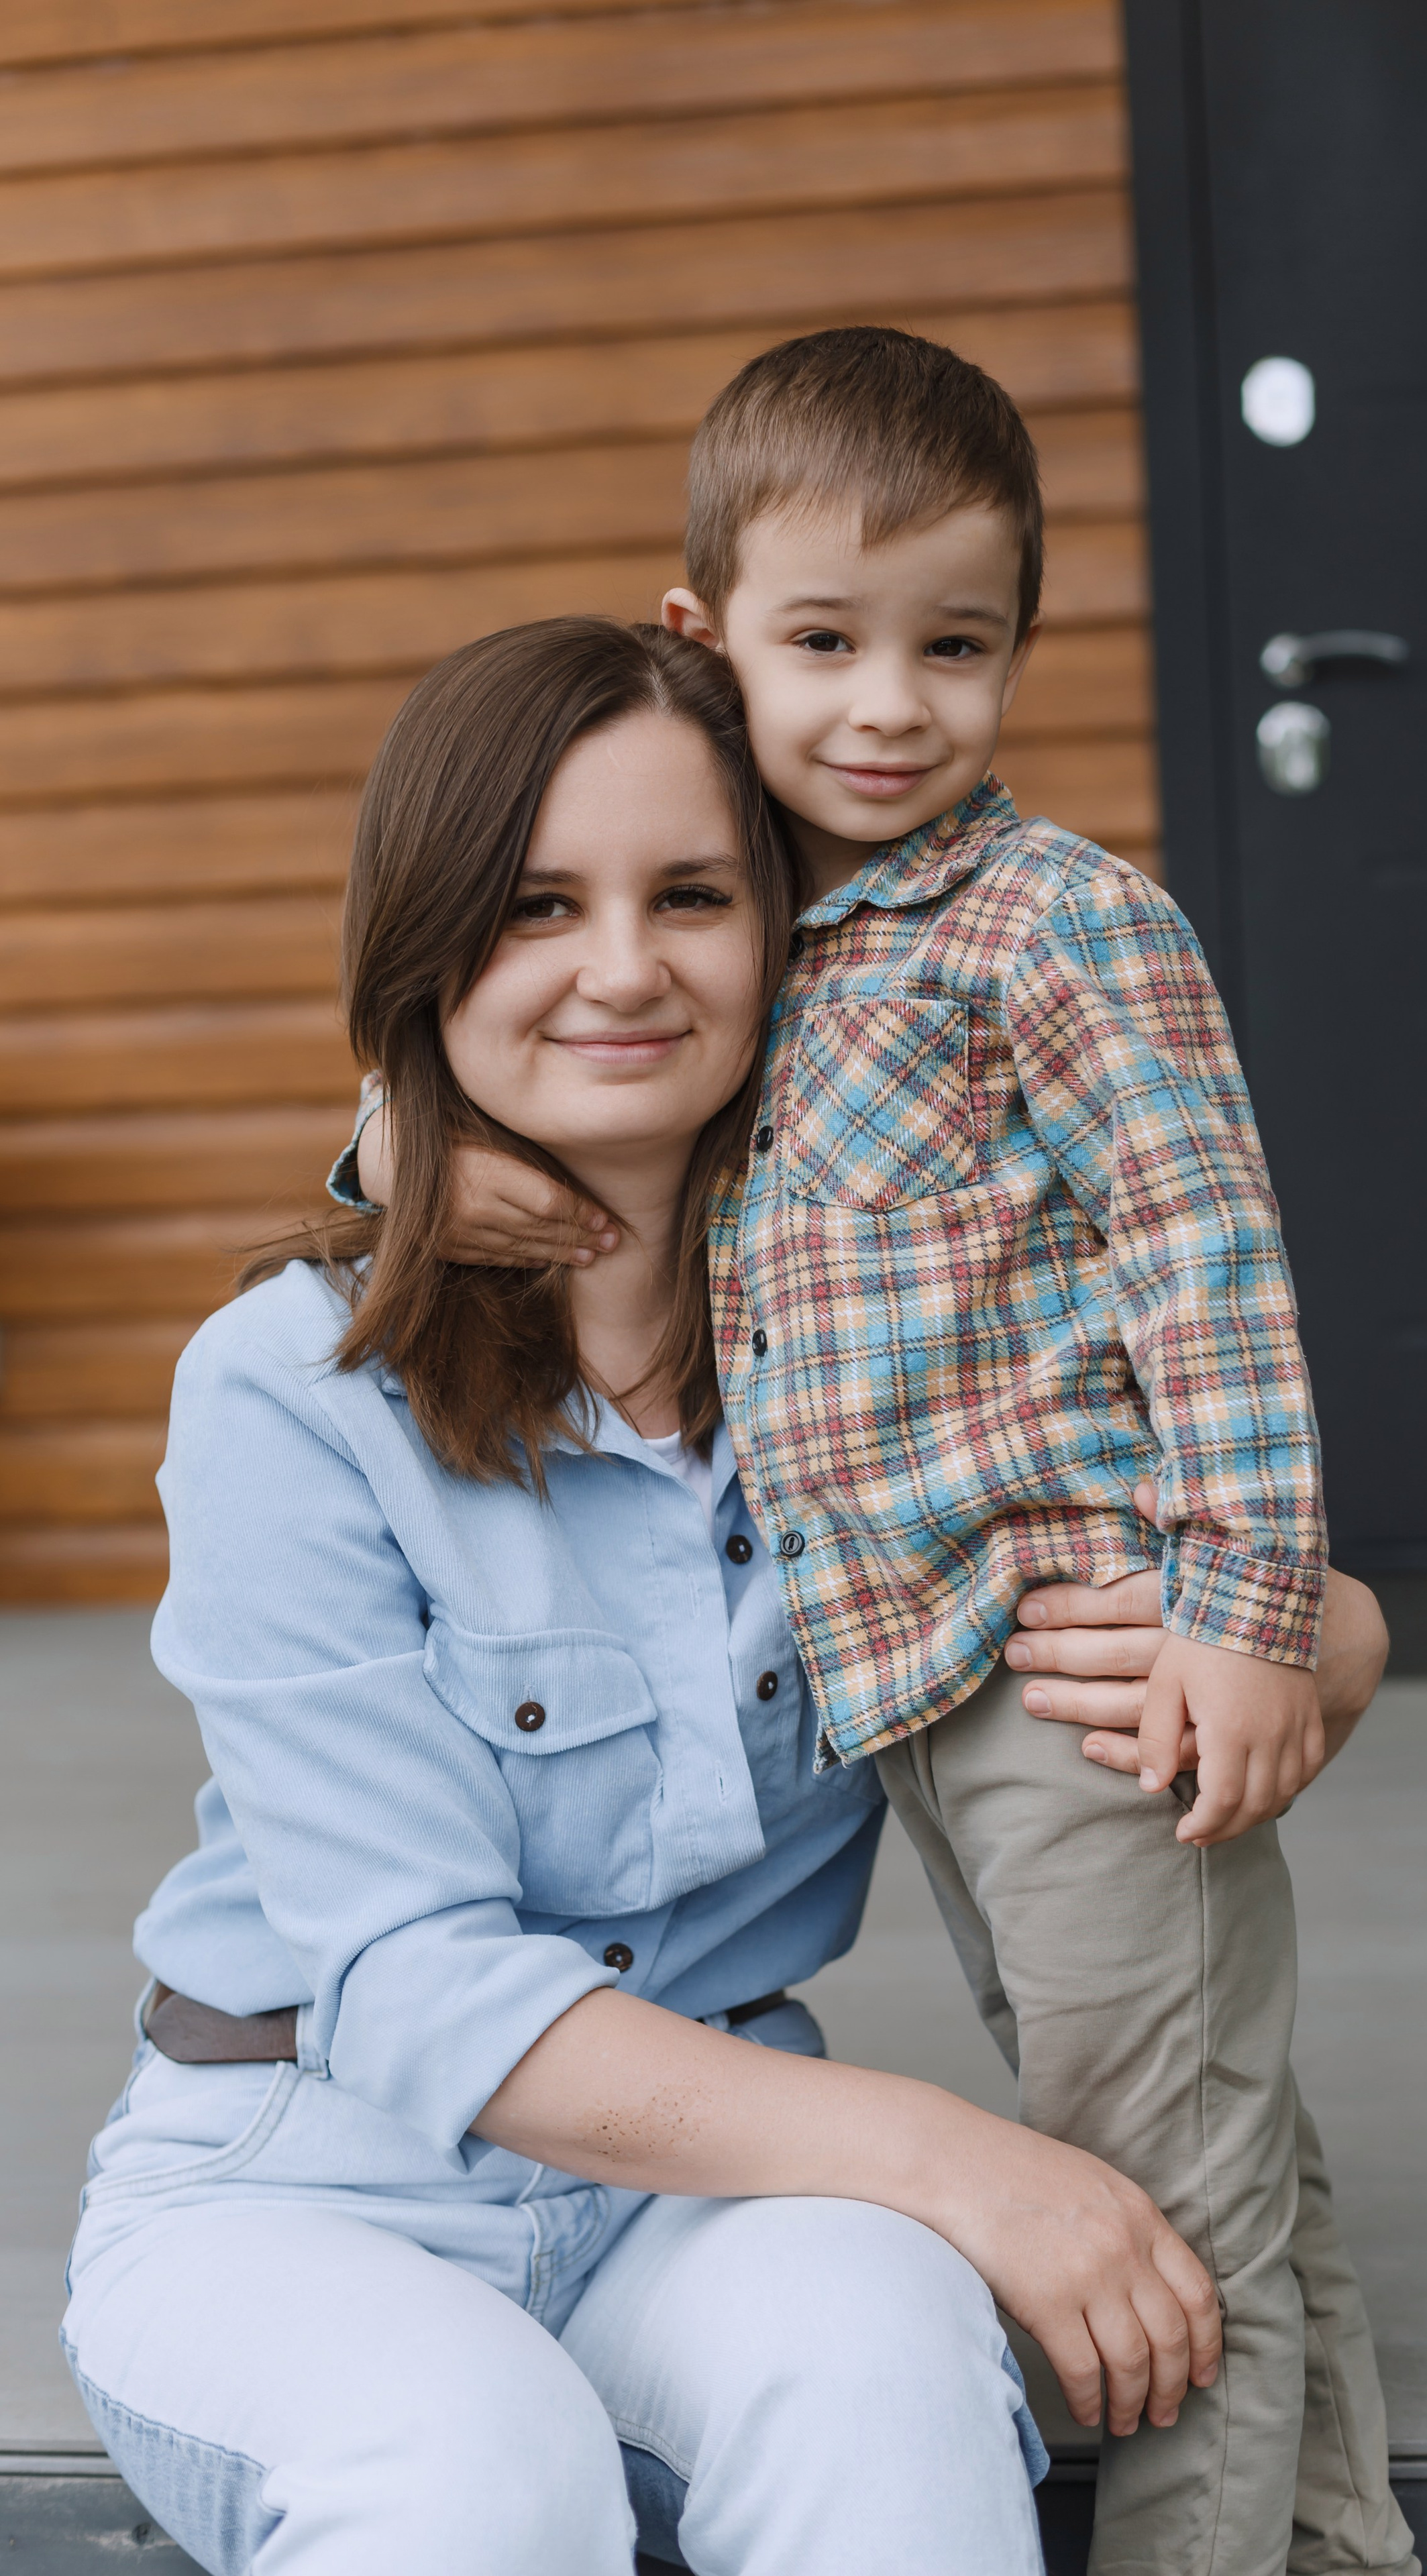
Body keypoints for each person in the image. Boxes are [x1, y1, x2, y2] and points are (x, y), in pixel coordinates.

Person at [348, 330, 1417, 2576]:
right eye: (821, 642)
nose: (888, 706)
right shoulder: (748, 923)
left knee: (1163, 2154)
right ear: (701, 635)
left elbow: (1207, 1270)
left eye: (959, 645)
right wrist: (383, 1167)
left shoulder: (1057, 927)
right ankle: (1334, 2541)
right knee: (1210, 2101)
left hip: (1086, 1654)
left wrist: (1250, 1614)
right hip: (906, 1664)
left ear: (1026, 644)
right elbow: (522, 1052)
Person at [61, 620, 1236, 2576]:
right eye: (535, 905)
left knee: (881, 2356)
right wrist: (974, 2165)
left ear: (788, 936)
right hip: (299, 2185)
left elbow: (1181, 1541)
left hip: (703, 2184)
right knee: (476, 2464)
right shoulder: (287, 1389)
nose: (625, 968)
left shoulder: (900, 1372)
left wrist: (1310, 1626)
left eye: (691, 895)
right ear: (423, 957)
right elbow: (424, 1989)